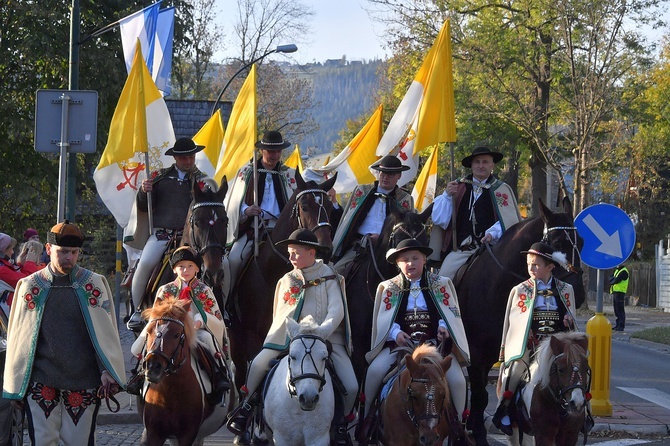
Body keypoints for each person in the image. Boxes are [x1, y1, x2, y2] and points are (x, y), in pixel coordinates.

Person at [227, 229, 357, 444]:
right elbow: (280, 314)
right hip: (289, 339)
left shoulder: (330, 277)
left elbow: (337, 311)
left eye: (295, 253)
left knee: (351, 385)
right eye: (290, 253)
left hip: (326, 338)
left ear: (311, 253)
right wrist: (291, 332)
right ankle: (247, 411)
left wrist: (322, 331)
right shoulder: (287, 279)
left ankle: (341, 424)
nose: (291, 258)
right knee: (258, 365)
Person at [2, 220, 125, 445]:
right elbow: (19, 340)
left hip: (83, 380)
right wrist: (17, 385)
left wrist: (107, 370)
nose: (69, 257)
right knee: (43, 442)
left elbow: (104, 335)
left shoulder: (94, 285)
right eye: (63, 252)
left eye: (74, 252)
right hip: (40, 381)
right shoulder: (30, 286)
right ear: (48, 250)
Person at [360, 238, 470, 440]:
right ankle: (367, 420)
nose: (410, 263)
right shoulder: (388, 287)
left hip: (434, 347)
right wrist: (395, 333)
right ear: (398, 264)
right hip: (401, 347)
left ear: (424, 260)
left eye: (415, 258)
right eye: (405, 260)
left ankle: (458, 428)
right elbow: (383, 318)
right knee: (374, 371)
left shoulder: (441, 284)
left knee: (458, 380)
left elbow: (449, 313)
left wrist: (443, 329)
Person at [492, 242, 576, 435]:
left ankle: (583, 412)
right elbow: (513, 321)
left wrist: (567, 320)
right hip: (530, 344)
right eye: (529, 264)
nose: (531, 268)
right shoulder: (520, 290)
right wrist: (525, 331)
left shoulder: (565, 289)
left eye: (536, 264)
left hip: (556, 345)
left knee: (576, 370)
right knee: (515, 370)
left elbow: (571, 318)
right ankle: (504, 410)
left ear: (550, 266)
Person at [125, 137, 208, 326]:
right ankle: (137, 310)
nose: (188, 161)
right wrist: (144, 192)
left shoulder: (202, 180)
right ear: (176, 158)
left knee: (215, 265)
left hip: (193, 238)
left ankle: (218, 309)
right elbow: (144, 207)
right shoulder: (159, 177)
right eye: (184, 158)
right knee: (145, 263)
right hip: (164, 234)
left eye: (191, 157)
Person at [130, 246, 229, 395]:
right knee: (151, 342)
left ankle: (218, 372)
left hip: (197, 331)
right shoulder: (165, 290)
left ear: (197, 269)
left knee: (208, 338)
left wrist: (200, 320)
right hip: (169, 331)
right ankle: (140, 372)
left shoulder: (204, 290)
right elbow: (156, 313)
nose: (185, 270)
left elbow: (214, 315)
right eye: (181, 267)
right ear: (174, 269)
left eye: (190, 266)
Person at [430, 145, 521, 279]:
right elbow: (440, 220)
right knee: (444, 279)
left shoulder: (500, 190)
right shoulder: (458, 187)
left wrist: (492, 234)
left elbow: (509, 222)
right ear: (471, 166)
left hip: (493, 248)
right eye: (477, 162)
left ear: (492, 165)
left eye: (485, 162)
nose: (481, 166)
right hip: (462, 250)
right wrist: (447, 196)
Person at [225, 130, 296, 291]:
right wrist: (246, 210)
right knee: (234, 260)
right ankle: (229, 298)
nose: (275, 155)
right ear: (262, 151)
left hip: (282, 231)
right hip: (254, 228)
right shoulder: (247, 172)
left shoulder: (288, 174)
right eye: (271, 151)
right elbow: (233, 201)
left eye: (278, 151)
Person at [332, 155, 414, 274]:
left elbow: (406, 229)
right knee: (335, 274)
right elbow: (347, 220)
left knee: (407, 276)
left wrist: (382, 239)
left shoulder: (405, 200)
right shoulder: (361, 191)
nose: (385, 178)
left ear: (399, 176)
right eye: (382, 174)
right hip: (359, 246)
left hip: (390, 249)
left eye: (390, 175)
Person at [0, 233, 28, 305]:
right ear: (2, 252)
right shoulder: (2, 270)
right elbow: (29, 282)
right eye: (11, 248)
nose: (12, 252)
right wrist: (30, 262)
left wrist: (20, 264)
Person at [610, 263, 629, 331]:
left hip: (620, 292)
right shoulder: (617, 270)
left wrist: (613, 280)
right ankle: (617, 325)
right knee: (616, 309)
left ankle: (621, 325)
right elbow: (610, 278)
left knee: (620, 309)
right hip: (615, 292)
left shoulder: (624, 271)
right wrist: (613, 280)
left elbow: (615, 280)